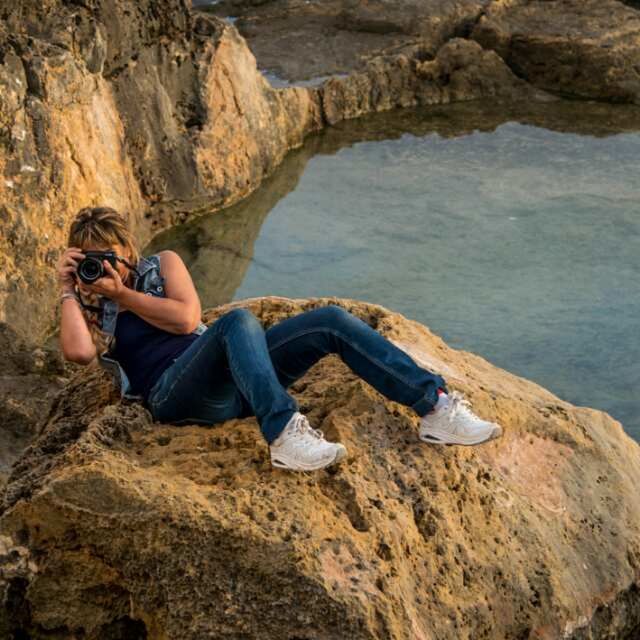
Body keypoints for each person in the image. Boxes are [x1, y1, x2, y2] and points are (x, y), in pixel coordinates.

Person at [56, 206, 503, 472]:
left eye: (107, 254)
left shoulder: (162, 265)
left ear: (127, 248)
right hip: (176, 396)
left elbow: (187, 318)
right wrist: (68, 290)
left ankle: (435, 407)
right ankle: (285, 434)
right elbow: (78, 353)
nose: (102, 266)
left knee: (328, 319)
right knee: (237, 322)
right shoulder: (90, 304)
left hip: (237, 380)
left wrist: (125, 293)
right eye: (89, 258)